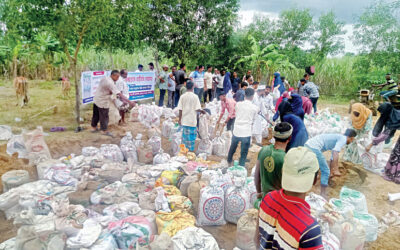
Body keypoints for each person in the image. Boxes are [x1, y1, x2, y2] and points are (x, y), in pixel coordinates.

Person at [255, 147, 323, 249]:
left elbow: (257, 239)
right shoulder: (310, 230)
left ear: (283, 172)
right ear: (315, 180)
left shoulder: (268, 198)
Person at [305, 129, 357, 197]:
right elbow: (335, 152)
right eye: (352, 140)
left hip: (308, 145)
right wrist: (335, 170)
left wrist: (331, 171)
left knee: (316, 166)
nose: (351, 141)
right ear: (351, 138)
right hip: (314, 147)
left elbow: (332, 157)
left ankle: (312, 183)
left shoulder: (339, 137)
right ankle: (323, 194)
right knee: (325, 171)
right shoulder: (343, 139)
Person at [254, 122, 292, 197]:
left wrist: (259, 192)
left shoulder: (263, 150)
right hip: (279, 201)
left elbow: (256, 175)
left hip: (266, 199)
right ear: (289, 138)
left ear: (274, 136)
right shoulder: (285, 159)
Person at [366, 103, 400, 183]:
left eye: (382, 113)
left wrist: (371, 144)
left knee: (397, 153)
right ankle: (394, 174)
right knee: (397, 152)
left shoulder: (394, 118)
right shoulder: (395, 114)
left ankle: (394, 175)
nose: (381, 115)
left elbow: (385, 135)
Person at [227, 88, 259, 167]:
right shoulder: (255, 108)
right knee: (244, 151)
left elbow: (237, 114)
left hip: (237, 129)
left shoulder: (238, 104)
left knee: (233, 147)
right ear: (252, 97)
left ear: (244, 95)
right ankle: (241, 166)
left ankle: (229, 160)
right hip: (246, 131)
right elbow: (253, 120)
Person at [91, 70, 121, 137]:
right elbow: (118, 93)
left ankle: (93, 127)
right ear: (113, 75)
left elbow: (108, 90)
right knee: (104, 116)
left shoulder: (105, 78)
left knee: (96, 114)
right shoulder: (110, 82)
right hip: (103, 100)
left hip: (97, 98)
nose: (118, 78)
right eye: (117, 77)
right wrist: (129, 101)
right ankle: (104, 130)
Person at [177, 80, 204, 151]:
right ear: (193, 87)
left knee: (184, 138)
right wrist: (202, 111)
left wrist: (179, 119)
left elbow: (180, 109)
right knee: (191, 139)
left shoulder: (182, 96)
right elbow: (198, 109)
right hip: (192, 121)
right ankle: (191, 152)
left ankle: (184, 152)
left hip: (185, 121)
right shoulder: (195, 97)